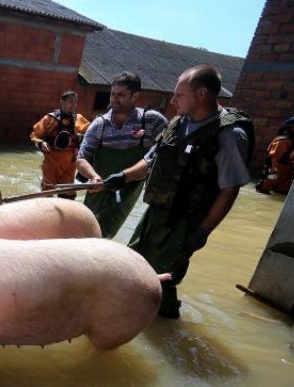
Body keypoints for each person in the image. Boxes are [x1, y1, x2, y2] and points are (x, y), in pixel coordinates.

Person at [102, 64, 254, 318]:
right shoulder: (178, 123)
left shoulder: (229, 135)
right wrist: (123, 176)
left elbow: (229, 190)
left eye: (179, 95)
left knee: (160, 283)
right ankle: (136, 318)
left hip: (185, 223)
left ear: (202, 94)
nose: (172, 101)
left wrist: (203, 232)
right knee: (132, 268)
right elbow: (151, 159)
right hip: (155, 214)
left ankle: (164, 331)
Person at [77, 72, 168, 237]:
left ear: (135, 96)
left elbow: (164, 152)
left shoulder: (152, 121)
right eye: (112, 93)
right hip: (98, 187)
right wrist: (94, 177)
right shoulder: (100, 124)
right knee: (85, 230)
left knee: (104, 234)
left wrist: (129, 176)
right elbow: (81, 159)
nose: (114, 98)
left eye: (120, 95)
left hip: (127, 189)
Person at [30, 91, 90, 198]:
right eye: (70, 102)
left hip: (70, 162)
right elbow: (35, 135)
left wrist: (81, 138)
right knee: (47, 193)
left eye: (76, 102)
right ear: (62, 102)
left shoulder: (79, 119)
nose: (74, 105)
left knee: (68, 194)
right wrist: (41, 144)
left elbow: (91, 134)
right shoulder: (49, 119)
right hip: (51, 160)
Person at [255, 116, 294, 195]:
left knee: (282, 192)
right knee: (264, 189)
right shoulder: (283, 141)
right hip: (275, 170)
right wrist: (272, 172)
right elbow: (274, 157)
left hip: (286, 173)